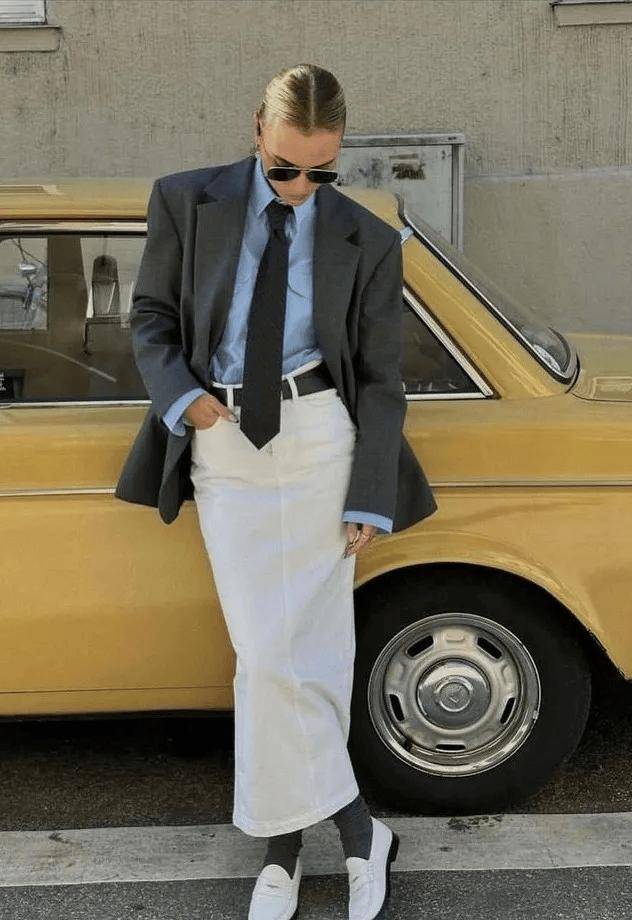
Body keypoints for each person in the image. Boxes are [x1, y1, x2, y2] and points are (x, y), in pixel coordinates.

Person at [117, 63, 437, 920]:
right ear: (257, 128)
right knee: (266, 654)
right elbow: (149, 317)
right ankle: (361, 829)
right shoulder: (186, 200)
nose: (298, 186)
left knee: (313, 652)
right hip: (225, 442)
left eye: (320, 172)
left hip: (321, 441)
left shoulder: (367, 239)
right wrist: (182, 397)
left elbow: (380, 380)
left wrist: (369, 492)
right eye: (284, 167)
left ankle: (282, 850)